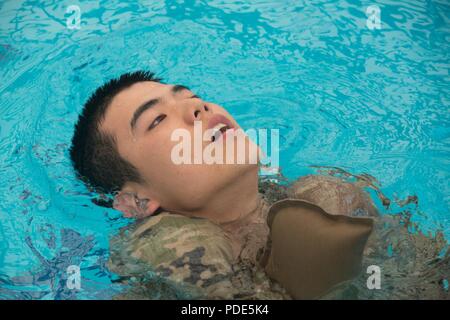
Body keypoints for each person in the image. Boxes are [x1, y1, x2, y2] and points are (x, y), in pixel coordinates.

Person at [70, 71, 377, 299]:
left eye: (192, 97)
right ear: (136, 200)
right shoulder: (172, 247)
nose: (198, 109)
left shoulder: (324, 197)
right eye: (158, 120)